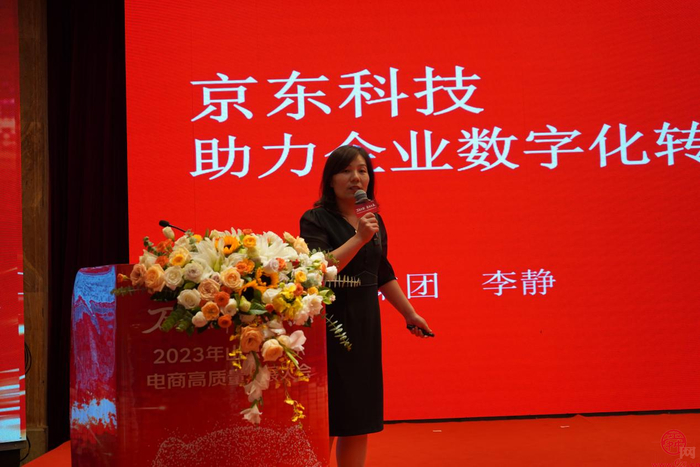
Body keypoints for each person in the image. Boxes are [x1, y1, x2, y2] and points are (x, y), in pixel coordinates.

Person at [300, 145, 433, 467]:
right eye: (346, 171)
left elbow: (381, 271)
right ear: (330, 180)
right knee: (330, 415)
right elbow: (319, 269)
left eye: (362, 171)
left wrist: (409, 313)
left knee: (358, 416)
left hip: (365, 323)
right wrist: (359, 238)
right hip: (330, 324)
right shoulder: (315, 219)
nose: (356, 178)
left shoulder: (372, 220)